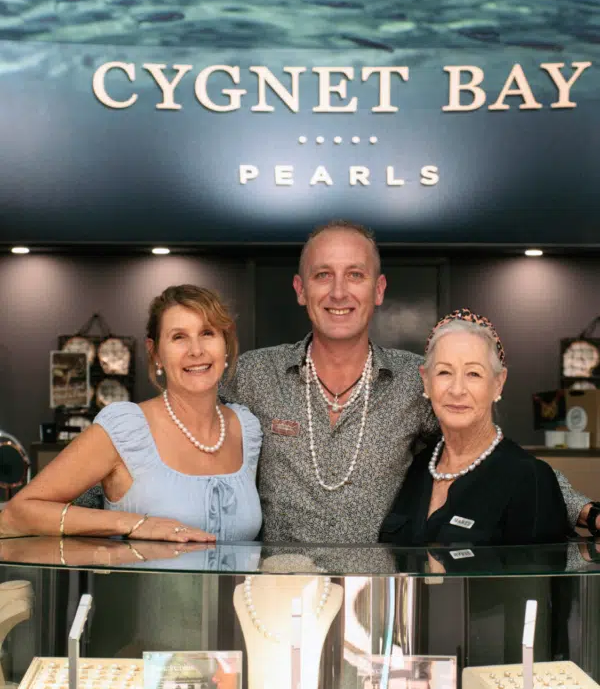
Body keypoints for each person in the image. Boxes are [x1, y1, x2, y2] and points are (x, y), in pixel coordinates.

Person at [220, 219, 597, 543]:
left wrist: (586, 511)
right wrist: (156, 518)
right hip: (280, 597)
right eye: (322, 275)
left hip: (380, 601)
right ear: (301, 290)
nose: (339, 292)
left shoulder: (415, 381)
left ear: (378, 289)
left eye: (355, 274)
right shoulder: (253, 374)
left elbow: (490, 455)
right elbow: (182, 433)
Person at [1, 285, 262, 543]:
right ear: (155, 352)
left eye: (207, 333)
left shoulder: (246, 429)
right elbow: (15, 514)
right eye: (178, 337)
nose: (196, 350)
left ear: (225, 344)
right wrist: (133, 524)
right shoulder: (125, 429)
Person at [379, 309, 571, 545]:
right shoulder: (418, 467)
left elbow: (539, 579)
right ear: (426, 381)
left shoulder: (530, 478)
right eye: (444, 372)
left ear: (498, 384)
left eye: (473, 374)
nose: (457, 389)